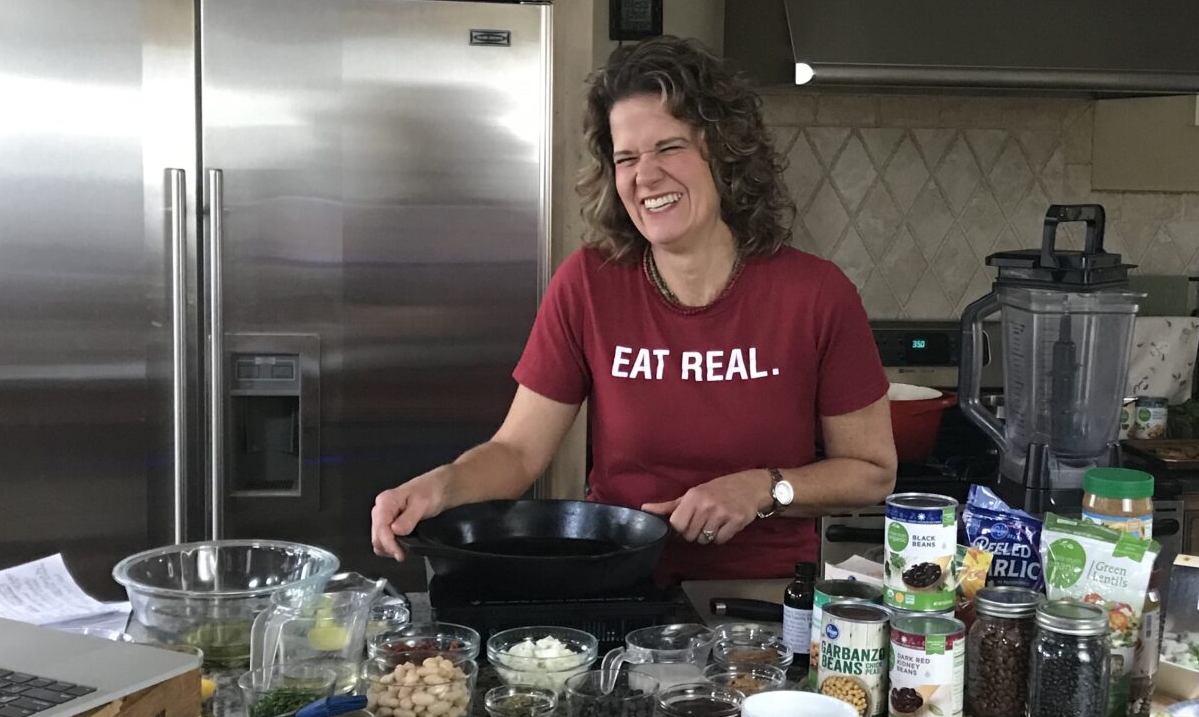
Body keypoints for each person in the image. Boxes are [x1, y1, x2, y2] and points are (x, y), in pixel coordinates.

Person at [370, 36, 896, 580]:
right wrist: (443, 485)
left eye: (668, 148)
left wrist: (763, 487)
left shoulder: (816, 294)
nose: (645, 175)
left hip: (766, 595)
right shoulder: (589, 284)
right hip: (617, 583)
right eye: (626, 158)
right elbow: (518, 452)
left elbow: (873, 471)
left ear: (722, 151)